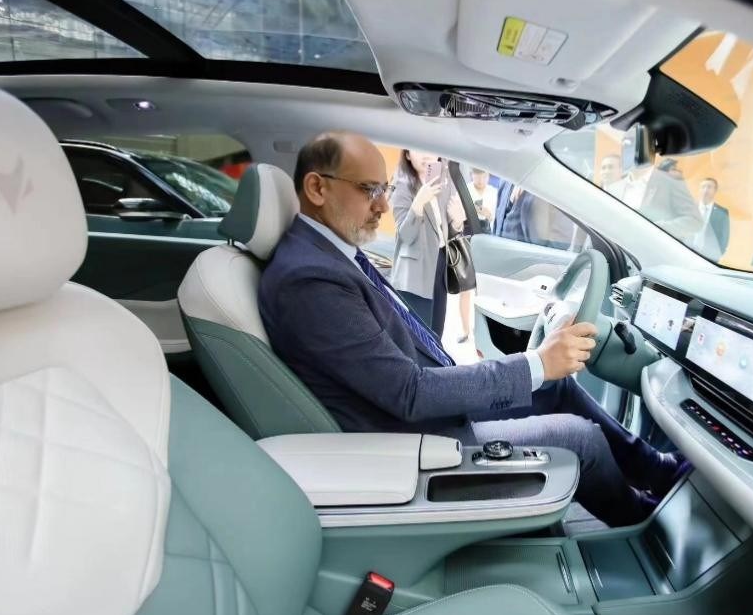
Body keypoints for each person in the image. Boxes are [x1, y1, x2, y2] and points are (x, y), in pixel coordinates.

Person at [259, 132, 691, 528]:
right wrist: (537, 363)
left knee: (557, 389)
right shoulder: (309, 280)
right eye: (369, 190)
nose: (383, 206)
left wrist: (535, 370)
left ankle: (657, 470)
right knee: (580, 438)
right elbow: (410, 393)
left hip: (423, 412)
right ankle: (645, 526)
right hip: (415, 440)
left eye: (384, 189)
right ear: (317, 188)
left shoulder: (328, 254)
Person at [388, 149, 465, 336]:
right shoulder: (401, 184)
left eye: (430, 149)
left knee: (437, 330)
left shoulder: (444, 181)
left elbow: (449, 229)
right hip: (414, 270)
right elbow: (406, 236)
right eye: (418, 149)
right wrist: (418, 204)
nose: (425, 155)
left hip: (440, 262)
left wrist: (457, 221)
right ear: (407, 155)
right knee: (418, 335)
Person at [458, 168, 497, 343]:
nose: (480, 179)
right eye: (477, 175)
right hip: (466, 237)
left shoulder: (493, 192)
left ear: (488, 176)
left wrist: (488, 214)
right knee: (465, 288)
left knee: (485, 288)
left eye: (483, 175)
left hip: (487, 237)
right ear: (472, 175)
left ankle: (484, 330)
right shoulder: (465, 189)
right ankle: (466, 330)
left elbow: (496, 217)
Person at [693, 177, 730, 261]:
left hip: (709, 257)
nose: (705, 190)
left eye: (709, 187)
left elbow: (724, 237)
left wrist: (716, 254)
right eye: (703, 187)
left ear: (715, 190)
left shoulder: (722, 213)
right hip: (687, 251)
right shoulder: (690, 208)